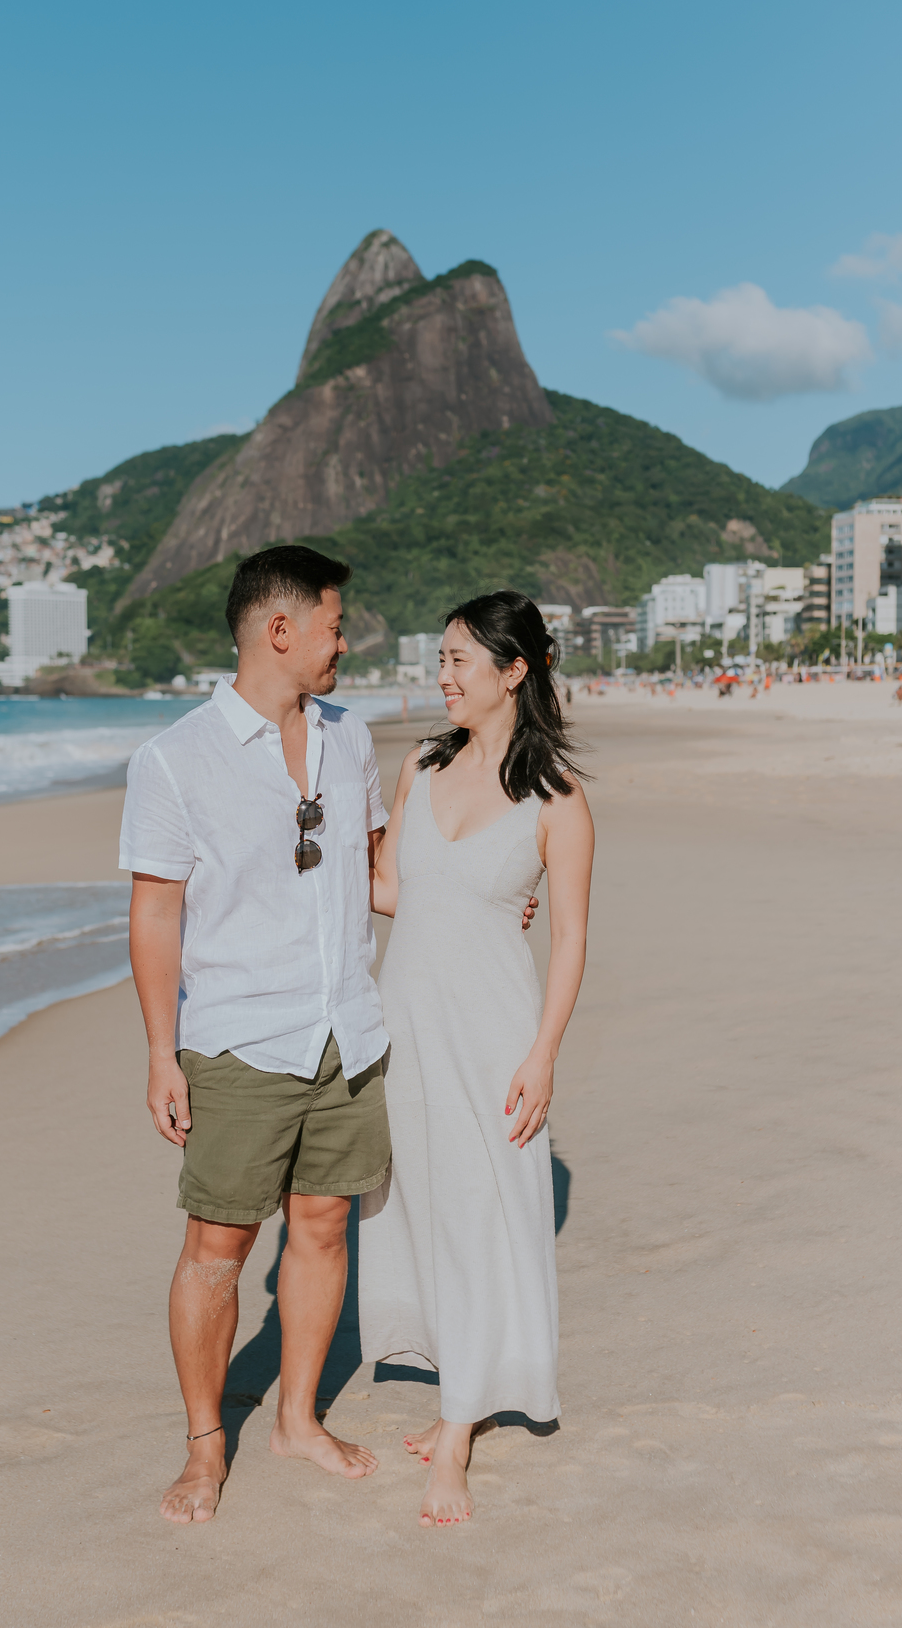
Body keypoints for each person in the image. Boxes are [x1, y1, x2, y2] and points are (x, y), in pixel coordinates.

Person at [120, 546, 394, 1526]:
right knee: (218, 1250)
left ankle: (296, 1419)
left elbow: (371, 871)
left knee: (322, 1228)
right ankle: (204, 1447)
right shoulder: (173, 759)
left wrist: (480, 904)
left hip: (348, 1031)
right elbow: (155, 915)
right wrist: (163, 1051)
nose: (344, 639)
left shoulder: (350, 737)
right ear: (279, 630)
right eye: (333, 622)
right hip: (239, 1041)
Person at [360, 591, 595, 1529]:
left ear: (514, 671)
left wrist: (544, 1053)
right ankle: (465, 1381)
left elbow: (572, 938)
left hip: (494, 1033)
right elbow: (391, 890)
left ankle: (457, 1430)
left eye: (462, 660)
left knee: (478, 1206)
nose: (444, 675)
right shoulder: (420, 764)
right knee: (418, 1199)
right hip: (403, 1024)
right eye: (442, 657)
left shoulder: (559, 799)